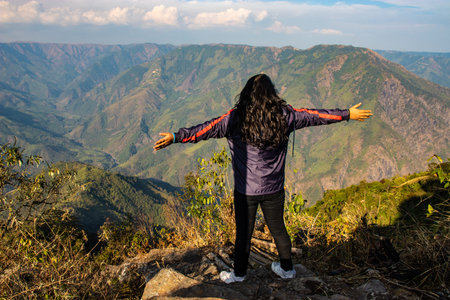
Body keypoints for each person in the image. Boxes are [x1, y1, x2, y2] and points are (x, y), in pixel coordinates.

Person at [153, 74, 372, 283]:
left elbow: (204, 130)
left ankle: (239, 276)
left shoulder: (234, 119)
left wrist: (175, 137)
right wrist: (347, 114)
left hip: (245, 190)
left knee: (243, 234)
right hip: (274, 189)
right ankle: (287, 270)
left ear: (246, 94)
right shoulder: (285, 115)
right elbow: (316, 116)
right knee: (278, 229)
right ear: (272, 94)